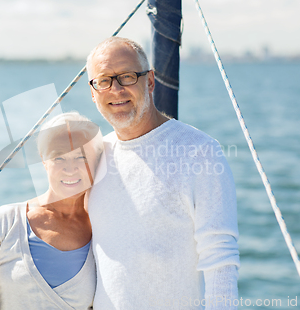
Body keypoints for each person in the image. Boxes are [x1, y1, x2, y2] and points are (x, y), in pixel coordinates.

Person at [86, 37, 240, 309]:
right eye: (104, 80)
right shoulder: (95, 155)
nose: (116, 89)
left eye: (127, 76)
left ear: (150, 81)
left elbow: (220, 260)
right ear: (93, 92)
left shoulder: (200, 151)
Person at [0, 112, 104, 310]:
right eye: (59, 157)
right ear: (43, 160)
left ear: (97, 160)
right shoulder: (4, 221)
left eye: (81, 157)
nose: (70, 168)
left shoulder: (103, 232)